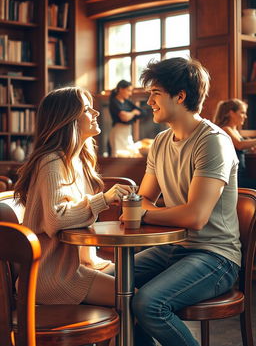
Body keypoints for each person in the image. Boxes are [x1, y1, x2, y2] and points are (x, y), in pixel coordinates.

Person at [128, 57, 241, 346]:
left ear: (180, 96)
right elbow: (142, 200)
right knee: (106, 285)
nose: (148, 100)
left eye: (155, 93)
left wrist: (144, 214)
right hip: (173, 248)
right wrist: (144, 210)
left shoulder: (212, 141)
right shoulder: (161, 141)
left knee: (147, 303)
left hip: (215, 256)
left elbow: (196, 217)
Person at [14, 87, 133, 307]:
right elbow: (56, 219)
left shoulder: (79, 161)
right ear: (68, 120)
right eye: (88, 109)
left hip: (79, 265)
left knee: (143, 282)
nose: (96, 113)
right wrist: (103, 200)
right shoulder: (51, 162)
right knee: (136, 299)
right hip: (53, 276)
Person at [213, 98, 256, 189]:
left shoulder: (235, 131)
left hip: (242, 174)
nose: (245, 116)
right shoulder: (225, 129)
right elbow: (239, 145)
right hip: (236, 178)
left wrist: (250, 149)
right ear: (231, 113)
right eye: (242, 112)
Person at [109, 79, 145, 156]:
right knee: (118, 155)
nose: (130, 93)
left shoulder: (127, 102)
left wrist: (129, 114)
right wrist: (134, 112)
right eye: (128, 90)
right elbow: (124, 118)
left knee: (133, 154)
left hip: (127, 132)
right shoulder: (114, 101)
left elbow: (142, 112)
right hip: (118, 132)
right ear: (121, 89)